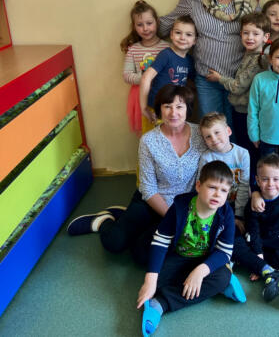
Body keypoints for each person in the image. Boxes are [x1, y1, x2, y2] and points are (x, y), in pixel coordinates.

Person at [67, 85, 205, 265]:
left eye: (179, 106)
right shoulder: (148, 140)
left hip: (182, 206)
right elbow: (148, 188)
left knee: (142, 255)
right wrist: (171, 217)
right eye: (167, 106)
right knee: (114, 243)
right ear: (159, 110)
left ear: (188, 109)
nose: (173, 113)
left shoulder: (201, 135)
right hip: (151, 200)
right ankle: (104, 220)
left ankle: (124, 215)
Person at [159, 0, 261, 127]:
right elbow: (171, 21)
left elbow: (263, 29)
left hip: (240, 81)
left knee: (236, 131)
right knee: (211, 130)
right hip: (207, 80)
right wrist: (145, 33)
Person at [136, 161, 237, 336]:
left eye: (223, 191)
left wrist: (200, 271)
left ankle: (160, 304)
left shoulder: (226, 214)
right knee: (156, 281)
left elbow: (225, 252)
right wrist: (150, 280)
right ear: (198, 186)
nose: (217, 194)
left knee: (222, 277)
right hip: (179, 256)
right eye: (212, 187)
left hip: (205, 260)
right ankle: (214, 286)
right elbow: (160, 242)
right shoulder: (180, 207)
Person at [232, 153, 279, 313]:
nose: (271, 184)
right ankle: (266, 270)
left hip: (277, 235)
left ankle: (269, 273)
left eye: (276, 179)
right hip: (257, 238)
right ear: (257, 181)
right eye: (265, 179)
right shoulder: (254, 205)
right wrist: (258, 256)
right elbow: (254, 232)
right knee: (238, 250)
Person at [205, 12, 270, 153]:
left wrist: (219, 78)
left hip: (248, 113)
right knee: (243, 144)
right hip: (241, 110)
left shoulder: (259, 60)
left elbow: (238, 86)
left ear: (265, 37)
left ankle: (251, 168)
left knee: (248, 148)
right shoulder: (249, 54)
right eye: (246, 33)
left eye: (255, 34)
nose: (250, 37)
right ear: (240, 34)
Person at [139, 16, 196, 134]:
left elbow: (192, 84)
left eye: (188, 34)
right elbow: (146, 78)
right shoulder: (166, 55)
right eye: (178, 33)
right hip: (156, 109)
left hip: (175, 111)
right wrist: (143, 107)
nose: (182, 37)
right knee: (153, 141)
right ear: (171, 35)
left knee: (172, 139)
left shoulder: (190, 61)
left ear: (195, 40)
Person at [121, 0, 169, 136]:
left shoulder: (166, 47)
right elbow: (127, 75)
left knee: (166, 132)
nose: (145, 28)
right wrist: (145, 78)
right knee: (147, 134)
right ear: (134, 27)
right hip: (140, 97)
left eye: (149, 23)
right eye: (140, 25)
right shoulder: (133, 50)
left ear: (157, 22)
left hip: (162, 95)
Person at [198, 112, 250, 231]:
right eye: (208, 136)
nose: (214, 139)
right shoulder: (206, 158)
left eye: (217, 132)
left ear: (228, 131)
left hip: (237, 203)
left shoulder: (243, 154)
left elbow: (244, 185)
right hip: (214, 205)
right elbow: (202, 187)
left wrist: (239, 214)